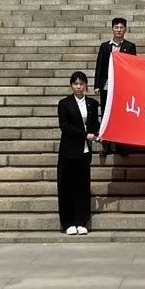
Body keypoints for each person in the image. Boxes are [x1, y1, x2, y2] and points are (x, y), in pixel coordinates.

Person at [57, 71, 100, 235]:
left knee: (82, 187)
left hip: (84, 152)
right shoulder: (64, 104)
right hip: (69, 152)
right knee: (67, 187)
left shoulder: (92, 104)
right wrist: (85, 135)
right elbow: (65, 126)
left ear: (86, 85)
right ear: (71, 86)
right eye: (75, 84)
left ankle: (81, 221)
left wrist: (98, 135)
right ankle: (67, 223)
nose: (79, 87)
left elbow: (94, 123)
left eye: (81, 84)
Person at [93, 17, 137, 155]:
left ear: (125, 29)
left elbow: (133, 66)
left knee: (121, 115)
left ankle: (120, 146)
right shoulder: (105, 46)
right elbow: (99, 66)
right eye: (116, 27)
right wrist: (97, 85)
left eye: (121, 27)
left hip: (122, 87)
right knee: (106, 114)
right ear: (112, 29)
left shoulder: (130, 46)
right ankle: (106, 145)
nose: (119, 30)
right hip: (107, 86)